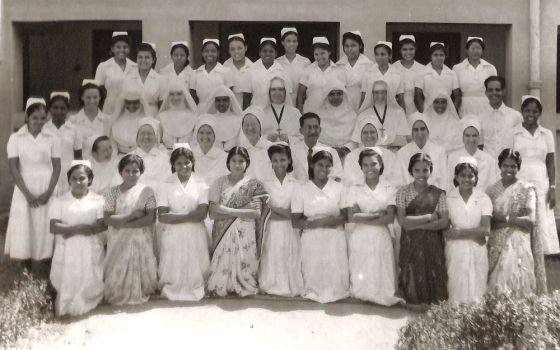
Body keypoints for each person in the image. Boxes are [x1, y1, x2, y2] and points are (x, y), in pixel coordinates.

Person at [207, 147, 268, 296]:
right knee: (220, 278)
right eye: (234, 160)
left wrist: (227, 210)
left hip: (246, 232)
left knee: (244, 267)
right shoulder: (219, 183)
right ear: (228, 163)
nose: (237, 164)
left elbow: (256, 213)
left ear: (247, 163)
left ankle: (242, 283)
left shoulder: (254, 184)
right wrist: (242, 210)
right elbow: (213, 214)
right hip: (223, 233)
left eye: (241, 161)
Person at [5, 98, 61, 264]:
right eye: (35, 117)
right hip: (24, 186)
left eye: (43, 118)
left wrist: (48, 192)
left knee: (45, 223)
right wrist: (28, 194)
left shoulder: (52, 137)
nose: (39, 121)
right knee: (26, 224)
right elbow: (14, 168)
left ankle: (47, 262)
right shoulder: (16, 138)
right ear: (27, 118)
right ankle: (26, 265)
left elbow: (56, 167)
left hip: (46, 183)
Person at [344, 148, 403, 305]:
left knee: (381, 269)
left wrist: (363, 215)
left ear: (381, 164)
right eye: (365, 165)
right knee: (361, 270)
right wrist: (378, 215)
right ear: (361, 167)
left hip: (381, 235)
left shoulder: (389, 188)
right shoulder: (354, 188)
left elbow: (390, 218)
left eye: (373, 164)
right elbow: (351, 216)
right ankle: (362, 294)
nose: (370, 168)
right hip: (360, 235)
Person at [486, 149, 547, 297]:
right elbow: (488, 219)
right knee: (496, 288)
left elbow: (529, 221)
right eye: (505, 165)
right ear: (499, 166)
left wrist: (504, 218)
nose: (509, 169)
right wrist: (514, 219)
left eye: (513, 166)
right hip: (496, 245)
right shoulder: (491, 190)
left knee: (518, 283)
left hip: (519, 244)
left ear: (518, 167)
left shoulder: (527, 189)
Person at [49, 160, 107, 316]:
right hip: (68, 247)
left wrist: (77, 230)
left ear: (89, 179)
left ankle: (88, 300)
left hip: (90, 245)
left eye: (82, 178)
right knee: (68, 279)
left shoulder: (98, 200)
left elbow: (102, 225)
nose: (78, 182)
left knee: (90, 278)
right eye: (74, 178)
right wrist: (79, 228)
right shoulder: (60, 201)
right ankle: (68, 302)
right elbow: (54, 226)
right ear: (68, 180)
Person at [291, 149, 349, 303]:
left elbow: (345, 216)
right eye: (320, 165)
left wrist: (326, 222)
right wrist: (317, 224)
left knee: (334, 271)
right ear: (312, 165)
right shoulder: (302, 189)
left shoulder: (339, 188)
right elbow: (295, 221)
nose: (324, 169)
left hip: (334, 236)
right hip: (311, 237)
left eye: (328, 166)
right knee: (313, 270)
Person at [157, 144, 210, 301]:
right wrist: (189, 216)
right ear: (173, 165)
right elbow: (162, 216)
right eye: (179, 163)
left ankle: (196, 287)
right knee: (173, 264)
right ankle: (172, 288)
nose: (183, 166)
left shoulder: (201, 183)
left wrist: (177, 216)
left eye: (187, 162)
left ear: (192, 162)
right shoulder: (165, 184)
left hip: (196, 232)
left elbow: (201, 214)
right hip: (172, 232)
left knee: (196, 265)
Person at [103, 154, 158, 305]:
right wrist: (132, 216)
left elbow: (150, 218)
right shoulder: (112, 192)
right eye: (127, 170)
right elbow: (108, 219)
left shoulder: (147, 191)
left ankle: (140, 290)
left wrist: (123, 224)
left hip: (140, 238)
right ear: (121, 172)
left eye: (135, 171)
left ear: (141, 172)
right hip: (117, 239)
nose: (131, 174)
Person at [396, 152, 449, 305]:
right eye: (417, 170)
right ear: (411, 171)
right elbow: (403, 222)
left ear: (430, 170)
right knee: (412, 274)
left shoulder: (439, 194)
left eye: (425, 170)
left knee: (432, 274)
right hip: (410, 242)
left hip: (432, 243)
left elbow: (444, 222)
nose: (421, 174)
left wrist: (417, 225)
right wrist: (429, 217)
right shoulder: (403, 192)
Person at [512, 95, 560, 255]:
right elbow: (509, 160)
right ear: (522, 111)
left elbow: (551, 163)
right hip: (520, 177)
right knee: (522, 213)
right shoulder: (514, 133)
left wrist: (553, 187)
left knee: (540, 215)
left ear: (540, 113)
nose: (531, 114)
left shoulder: (546, 134)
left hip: (541, 180)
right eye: (527, 110)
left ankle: (539, 253)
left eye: (535, 111)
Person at [259, 142, 304, 297]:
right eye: (275, 160)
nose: (279, 164)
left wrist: (275, 208)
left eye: (283, 160)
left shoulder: (295, 184)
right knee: (273, 254)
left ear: (289, 160)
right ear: (271, 162)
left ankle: (288, 286)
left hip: (290, 228)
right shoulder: (266, 184)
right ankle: (271, 284)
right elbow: (265, 212)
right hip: (271, 228)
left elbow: (296, 214)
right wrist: (276, 211)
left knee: (289, 255)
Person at [445, 157, 491, 304]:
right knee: (456, 284)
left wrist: (459, 233)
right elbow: (446, 231)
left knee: (477, 288)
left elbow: (485, 230)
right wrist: (473, 233)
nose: (466, 179)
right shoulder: (448, 198)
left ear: (476, 178)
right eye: (462, 175)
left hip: (477, 249)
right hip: (455, 250)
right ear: (456, 177)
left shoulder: (483, 198)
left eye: (470, 176)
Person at [396, 113, 448, 191]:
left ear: (428, 130)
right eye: (415, 130)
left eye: (423, 129)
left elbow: (444, 180)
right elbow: (400, 180)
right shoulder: (402, 153)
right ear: (411, 132)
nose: (419, 133)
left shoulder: (440, 151)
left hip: (434, 196)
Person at [44, 92, 82, 196]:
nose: (59, 111)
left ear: (67, 110)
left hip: (68, 174)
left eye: (62, 108)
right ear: (50, 109)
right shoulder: (44, 129)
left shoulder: (74, 130)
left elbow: (78, 156)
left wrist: (77, 177)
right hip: (49, 174)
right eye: (55, 108)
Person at [476, 76, 522, 159]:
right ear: (486, 93)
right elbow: (479, 146)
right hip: (488, 165)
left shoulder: (516, 116)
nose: (494, 93)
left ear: (504, 91)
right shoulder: (479, 118)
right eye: (490, 90)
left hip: (509, 165)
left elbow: (520, 145)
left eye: (497, 90)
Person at [447, 117, 499, 191]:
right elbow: (449, 186)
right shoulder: (453, 158)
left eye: (474, 135)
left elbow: (492, 188)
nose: (471, 139)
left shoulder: (489, 160)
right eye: (467, 135)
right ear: (462, 137)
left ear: (479, 137)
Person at [344, 117, 397, 187]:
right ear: (360, 135)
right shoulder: (351, 157)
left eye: (372, 132)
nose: (369, 136)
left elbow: (394, 180)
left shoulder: (389, 155)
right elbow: (348, 181)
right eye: (365, 133)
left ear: (377, 134)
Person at [297, 36, 345, 113]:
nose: (319, 57)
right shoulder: (308, 70)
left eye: (323, 53)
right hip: (310, 112)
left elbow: (343, 95)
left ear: (329, 52)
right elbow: (300, 95)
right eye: (316, 54)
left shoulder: (338, 70)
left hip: (331, 114)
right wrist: (300, 114)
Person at [290, 112, 343, 182]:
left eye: (315, 127)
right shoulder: (291, 151)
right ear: (301, 131)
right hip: (298, 191)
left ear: (320, 129)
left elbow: (337, 178)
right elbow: (289, 178)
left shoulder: (331, 152)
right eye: (309, 127)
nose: (313, 131)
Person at [241, 37, 292, 109]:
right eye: (264, 51)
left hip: (277, 113)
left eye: (271, 51)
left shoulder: (283, 71)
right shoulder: (250, 70)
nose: (268, 54)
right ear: (259, 53)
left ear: (276, 53)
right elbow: (246, 96)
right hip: (256, 112)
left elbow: (287, 98)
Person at [358, 79, 409, 150]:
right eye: (376, 92)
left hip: (393, 154)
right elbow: (360, 142)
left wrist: (375, 141)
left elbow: (402, 140)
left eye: (383, 92)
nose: (380, 95)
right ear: (371, 94)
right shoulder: (363, 115)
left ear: (388, 93)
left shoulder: (399, 113)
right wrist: (391, 141)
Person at [95, 31, 138, 115]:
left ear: (129, 49)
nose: (122, 50)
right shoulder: (103, 66)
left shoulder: (135, 67)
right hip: (109, 112)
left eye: (125, 47)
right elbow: (96, 92)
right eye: (118, 47)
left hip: (130, 113)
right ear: (112, 49)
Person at [453, 37, 497, 117]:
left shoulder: (490, 68)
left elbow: (495, 91)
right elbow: (456, 93)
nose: (475, 51)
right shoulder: (458, 68)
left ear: (482, 51)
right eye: (472, 48)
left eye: (478, 48)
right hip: (465, 106)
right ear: (467, 50)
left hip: (486, 105)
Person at [69, 79, 113, 160]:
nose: (92, 100)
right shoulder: (72, 121)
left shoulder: (108, 120)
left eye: (95, 97)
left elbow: (111, 147)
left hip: (103, 164)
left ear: (100, 97)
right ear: (82, 97)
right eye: (88, 97)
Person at [414, 42, 460, 113]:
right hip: (428, 111)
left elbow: (457, 97)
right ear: (430, 56)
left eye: (441, 55)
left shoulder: (452, 73)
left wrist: (453, 112)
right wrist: (423, 112)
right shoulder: (422, 73)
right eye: (435, 55)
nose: (438, 58)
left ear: (445, 56)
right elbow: (417, 96)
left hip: (447, 112)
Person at [315, 80, 357, 154]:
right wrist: (328, 150)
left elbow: (355, 139)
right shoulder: (318, 115)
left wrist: (345, 148)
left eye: (339, 93)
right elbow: (315, 140)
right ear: (326, 95)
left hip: (346, 154)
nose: (336, 97)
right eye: (332, 94)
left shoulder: (352, 115)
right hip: (323, 154)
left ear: (343, 95)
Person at [360, 41, 405, 111]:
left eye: (383, 54)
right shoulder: (367, 73)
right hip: (372, 112)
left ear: (390, 56)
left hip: (392, 111)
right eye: (377, 54)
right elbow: (363, 98)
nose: (379, 57)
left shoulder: (398, 74)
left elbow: (401, 100)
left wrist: (403, 116)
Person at [336, 31, 374, 111]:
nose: (349, 49)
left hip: (364, 107)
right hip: (343, 109)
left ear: (360, 46)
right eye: (346, 46)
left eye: (353, 45)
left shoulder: (369, 65)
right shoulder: (338, 65)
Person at [157, 78, 199, 150]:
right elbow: (157, 142)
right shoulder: (161, 117)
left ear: (185, 95)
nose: (175, 98)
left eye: (179, 94)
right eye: (172, 94)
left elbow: (196, 143)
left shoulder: (193, 117)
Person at [110, 83, 153, 155]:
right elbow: (112, 146)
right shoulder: (116, 120)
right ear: (123, 102)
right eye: (128, 102)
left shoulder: (147, 121)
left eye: (135, 102)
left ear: (141, 102)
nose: (131, 105)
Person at [129, 118, 171, 189]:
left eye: (150, 133)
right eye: (142, 133)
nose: (146, 137)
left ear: (155, 138)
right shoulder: (128, 159)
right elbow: (120, 182)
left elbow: (169, 182)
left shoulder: (165, 158)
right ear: (137, 137)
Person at [190, 39, 233, 106]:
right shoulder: (195, 73)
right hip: (201, 112)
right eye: (206, 51)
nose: (209, 54)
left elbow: (229, 96)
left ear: (218, 53)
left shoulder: (226, 72)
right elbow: (193, 99)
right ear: (202, 53)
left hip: (220, 111)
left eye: (213, 51)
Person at [127, 42, 166, 116]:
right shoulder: (128, 79)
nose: (143, 60)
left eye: (147, 57)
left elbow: (163, 107)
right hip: (132, 120)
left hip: (153, 121)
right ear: (136, 59)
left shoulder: (160, 80)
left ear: (153, 60)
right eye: (140, 57)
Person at [201, 85, 243, 151]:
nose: (221, 103)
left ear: (230, 101)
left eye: (224, 100)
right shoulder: (209, 120)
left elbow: (242, 143)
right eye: (218, 100)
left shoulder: (239, 120)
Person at [238, 106, 274, 182]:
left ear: (260, 126)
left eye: (253, 124)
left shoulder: (272, 148)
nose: (250, 128)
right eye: (246, 125)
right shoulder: (238, 152)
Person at [191, 115, 229, 186]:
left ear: (214, 135)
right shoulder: (188, 156)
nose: (205, 137)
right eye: (201, 133)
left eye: (209, 133)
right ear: (196, 134)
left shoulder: (224, 158)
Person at [262, 76, 302, 143]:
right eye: (273, 89)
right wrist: (266, 138)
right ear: (269, 92)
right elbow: (255, 138)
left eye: (281, 89)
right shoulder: (262, 113)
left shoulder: (295, 113)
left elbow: (303, 138)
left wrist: (289, 139)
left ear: (285, 92)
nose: (277, 93)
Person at [393, 35, 425, 117]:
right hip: (397, 110)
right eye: (404, 49)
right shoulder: (393, 68)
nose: (408, 52)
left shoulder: (422, 69)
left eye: (411, 49)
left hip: (416, 110)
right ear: (400, 50)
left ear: (415, 49)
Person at [276, 27, 311, 101]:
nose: (292, 44)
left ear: (297, 43)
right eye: (288, 41)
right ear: (282, 42)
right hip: (282, 101)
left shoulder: (305, 62)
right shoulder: (277, 62)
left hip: (301, 101)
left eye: (294, 41)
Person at [423, 89, 462, 153]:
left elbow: (458, 146)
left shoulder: (454, 122)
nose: (440, 105)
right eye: (437, 102)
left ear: (448, 103)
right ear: (432, 103)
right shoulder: (425, 121)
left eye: (443, 102)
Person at [223, 34, 253, 106]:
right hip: (229, 105)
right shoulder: (225, 66)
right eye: (232, 49)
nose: (236, 52)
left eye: (239, 48)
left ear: (245, 48)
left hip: (249, 105)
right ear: (229, 51)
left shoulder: (252, 67)